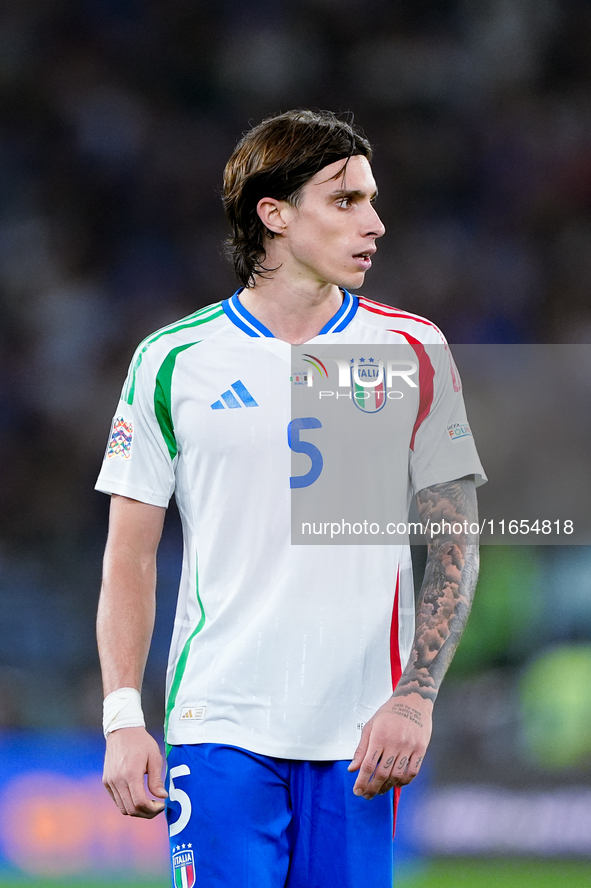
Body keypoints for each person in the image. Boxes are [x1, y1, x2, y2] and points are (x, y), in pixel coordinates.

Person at [96, 109, 485, 888]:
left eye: (372, 200)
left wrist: (414, 698)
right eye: (344, 201)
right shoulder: (174, 360)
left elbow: (454, 543)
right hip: (219, 727)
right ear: (272, 214)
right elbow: (129, 557)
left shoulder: (411, 348)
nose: (373, 223)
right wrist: (122, 717)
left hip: (358, 737)